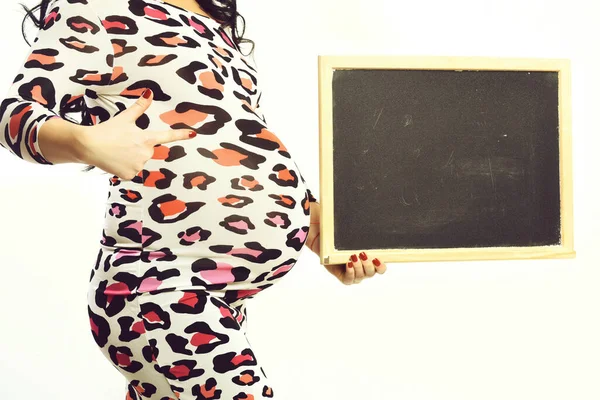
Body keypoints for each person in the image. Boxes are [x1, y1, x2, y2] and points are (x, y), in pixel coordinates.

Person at [0, 0, 387, 398]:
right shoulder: (96, 8)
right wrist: (86, 142)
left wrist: (316, 230)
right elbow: (13, 115)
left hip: (223, 293)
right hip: (157, 284)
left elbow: (235, 132)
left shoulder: (213, 20)